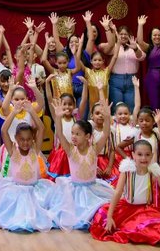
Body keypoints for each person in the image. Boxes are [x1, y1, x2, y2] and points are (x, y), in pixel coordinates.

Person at [90, 140, 160, 245]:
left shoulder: (154, 172)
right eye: (140, 154)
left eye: (147, 155)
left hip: (146, 210)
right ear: (133, 155)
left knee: (157, 229)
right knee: (103, 215)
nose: (143, 158)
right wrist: (109, 216)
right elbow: (117, 193)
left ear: (152, 156)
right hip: (127, 208)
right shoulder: (127, 171)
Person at [0, 101, 57, 232]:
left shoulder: (35, 148)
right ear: (16, 139)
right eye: (22, 139)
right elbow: (3, 130)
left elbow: (41, 128)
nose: (25, 142)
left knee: (39, 212)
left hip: (34, 190)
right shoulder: (13, 150)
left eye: (28, 139)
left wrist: (31, 111)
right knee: (17, 213)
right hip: (16, 189)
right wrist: (13, 112)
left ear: (33, 139)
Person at [47, 96, 114, 230]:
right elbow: (59, 133)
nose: (73, 136)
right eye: (72, 133)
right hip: (74, 189)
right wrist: (58, 118)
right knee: (69, 213)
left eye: (77, 134)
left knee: (100, 210)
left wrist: (107, 117)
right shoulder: (71, 150)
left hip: (92, 188)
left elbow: (106, 133)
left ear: (88, 136)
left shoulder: (94, 149)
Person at [108, 25, 145, 113]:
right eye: (121, 34)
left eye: (125, 34)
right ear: (118, 35)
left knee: (131, 108)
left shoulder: (134, 45)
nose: (123, 36)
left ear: (129, 35)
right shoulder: (114, 46)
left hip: (131, 81)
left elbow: (142, 57)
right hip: (116, 80)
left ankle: (131, 126)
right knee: (116, 108)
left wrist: (135, 48)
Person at [135, 15, 160, 112]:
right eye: (154, 35)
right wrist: (140, 25)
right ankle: (156, 124)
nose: (157, 37)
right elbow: (140, 41)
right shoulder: (148, 47)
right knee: (154, 102)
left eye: (159, 35)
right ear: (151, 37)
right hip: (151, 78)